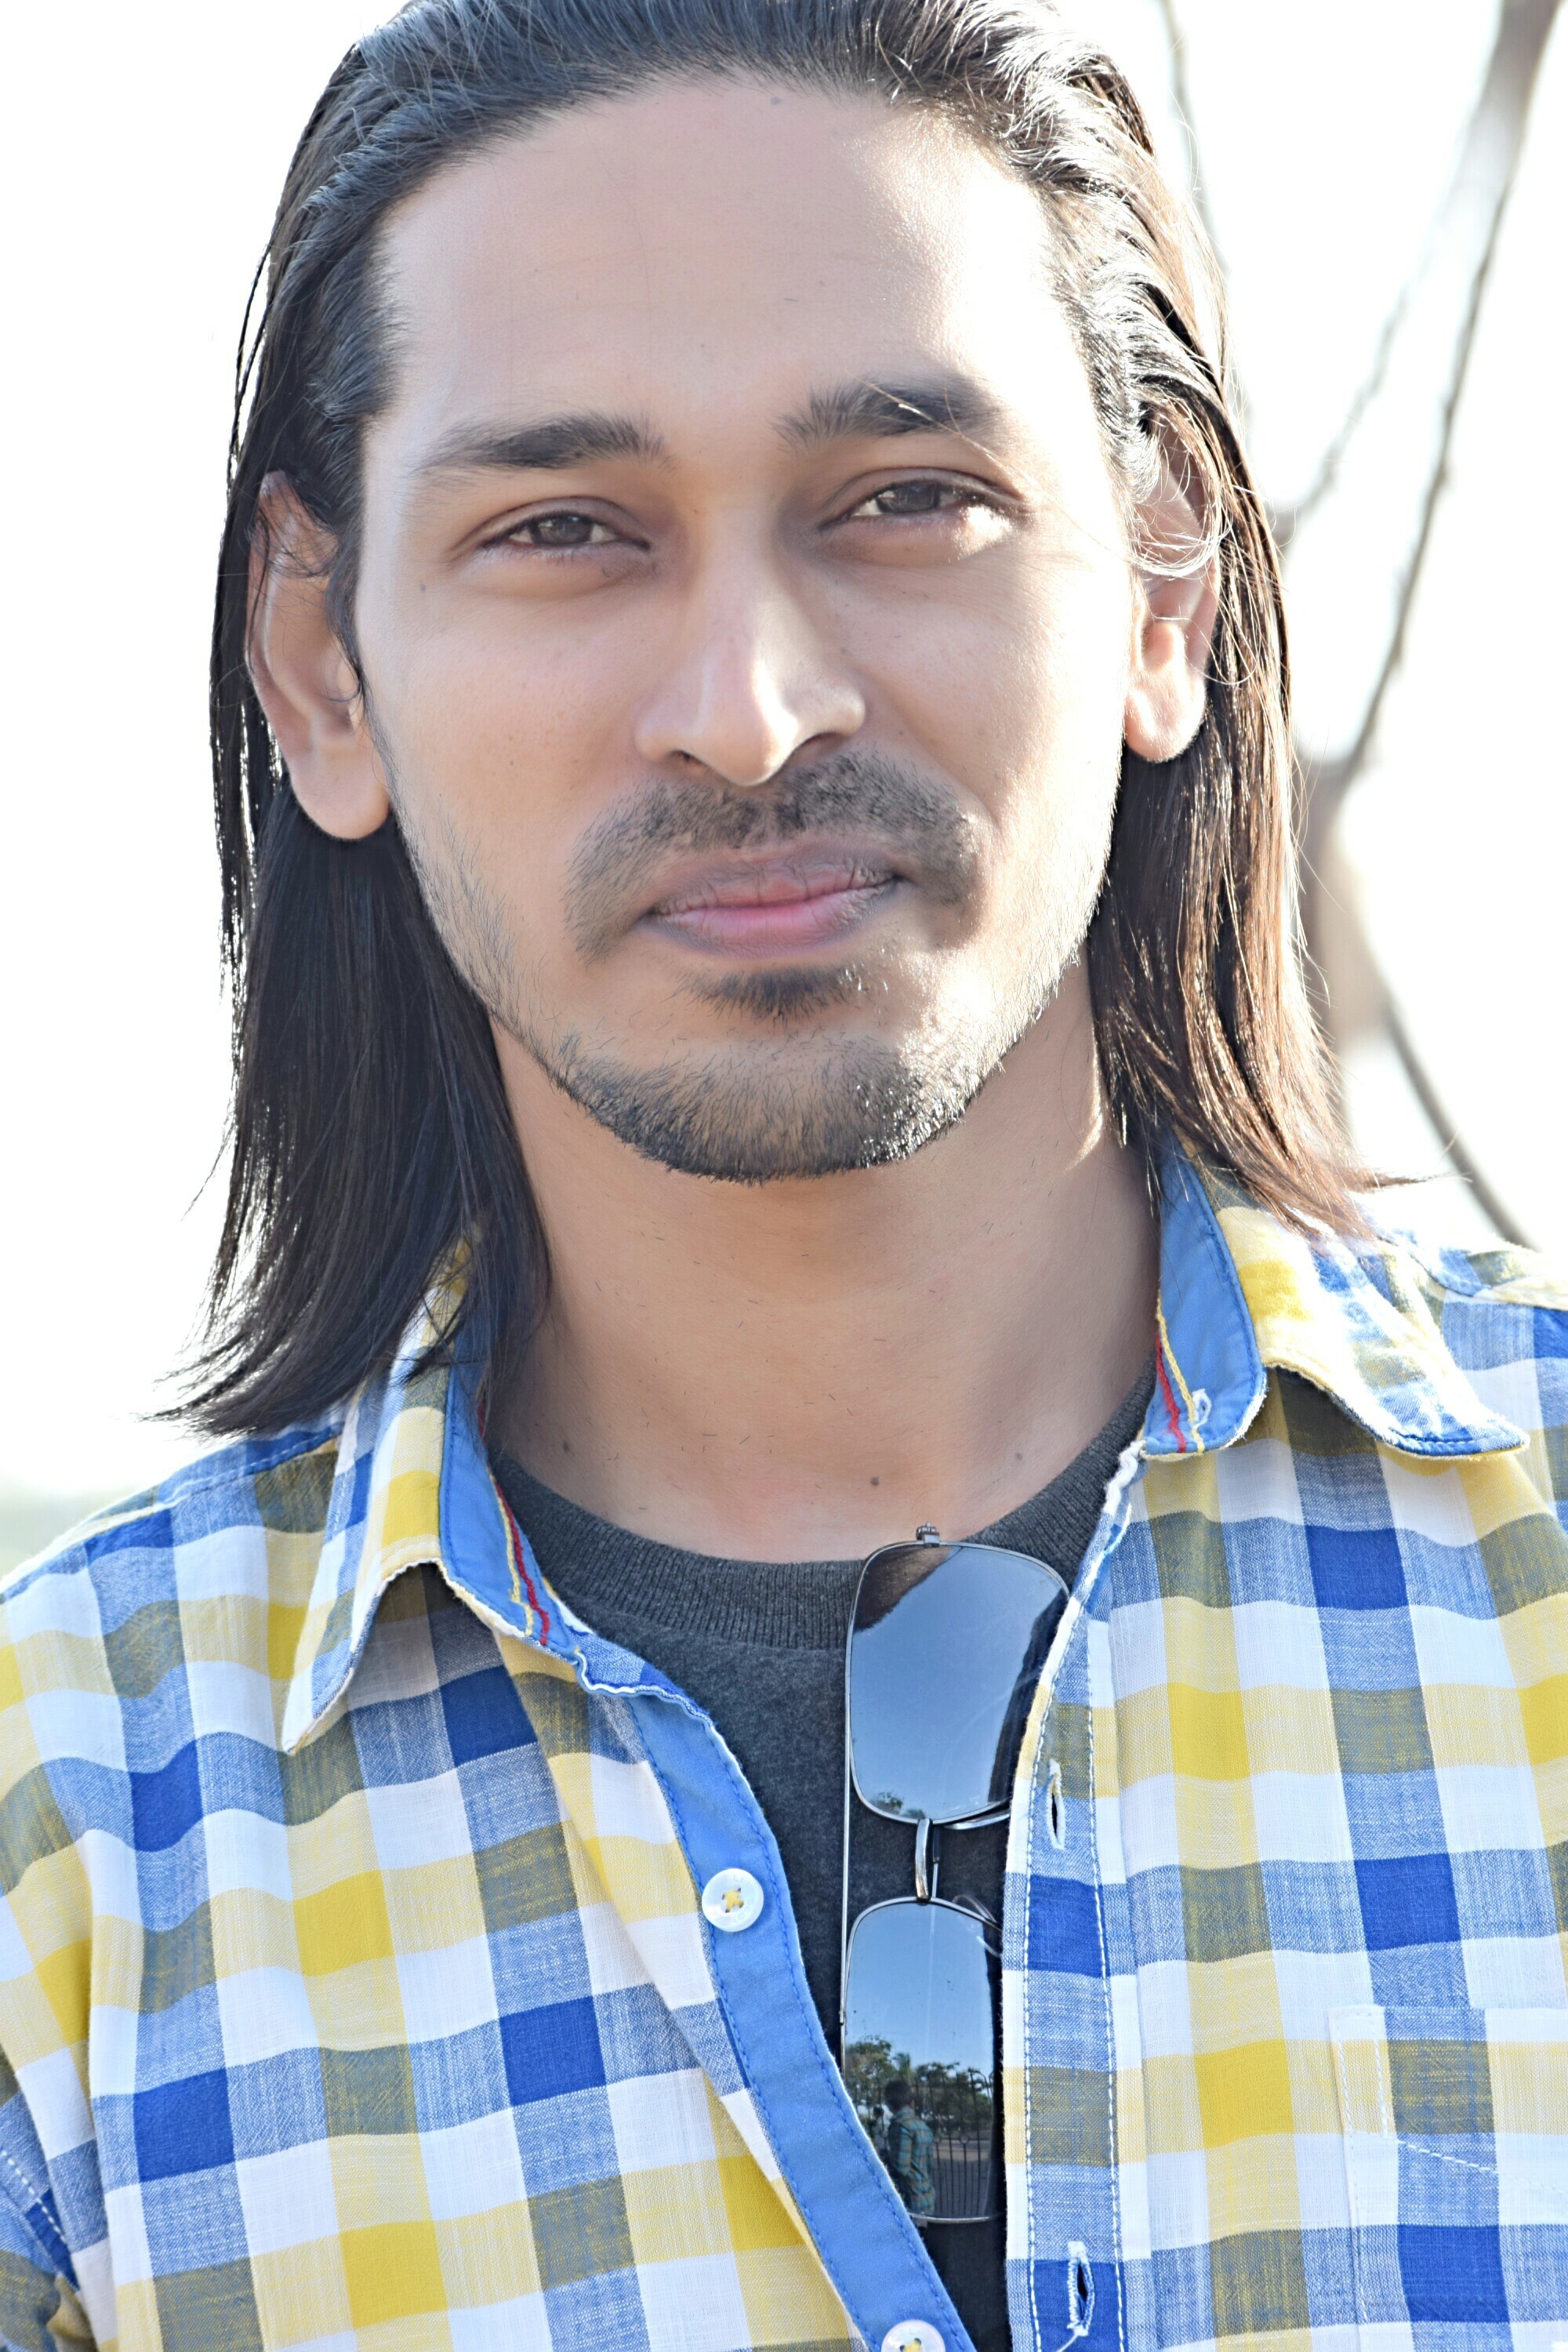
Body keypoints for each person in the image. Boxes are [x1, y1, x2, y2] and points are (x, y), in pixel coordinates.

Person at [0, 2, 1563, 2347]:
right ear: (320, 671)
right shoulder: (63, 1849)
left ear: (1161, 587)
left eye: (903, 498)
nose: (748, 709)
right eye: (564, 531)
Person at [883, 2084, 937, 2224]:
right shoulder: (922, 2126)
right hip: (927, 2196)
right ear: (911, 2103)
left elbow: (901, 2168)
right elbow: (929, 2164)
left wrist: (884, 2158)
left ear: (889, 2103)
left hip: (911, 2201)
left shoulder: (900, 2125)